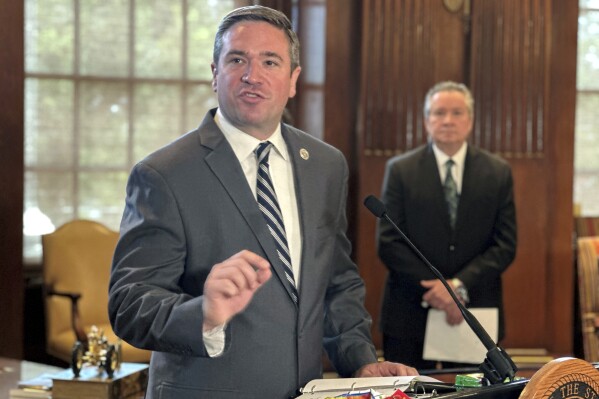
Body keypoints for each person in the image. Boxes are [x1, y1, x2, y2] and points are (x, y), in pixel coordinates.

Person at [108, 5, 417, 399]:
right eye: (237, 59)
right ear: (215, 73)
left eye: (270, 61)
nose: (253, 76)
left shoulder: (325, 165)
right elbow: (128, 304)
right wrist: (203, 313)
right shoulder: (164, 173)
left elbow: (336, 281)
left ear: (293, 80)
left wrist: (359, 358)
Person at [376, 81, 517, 370]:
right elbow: (389, 242)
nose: (448, 120)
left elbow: (505, 244)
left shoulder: (497, 172)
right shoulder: (401, 170)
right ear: (427, 120)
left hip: (475, 310)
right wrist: (439, 289)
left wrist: (458, 287)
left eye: (457, 112)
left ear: (470, 120)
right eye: (439, 113)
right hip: (410, 310)